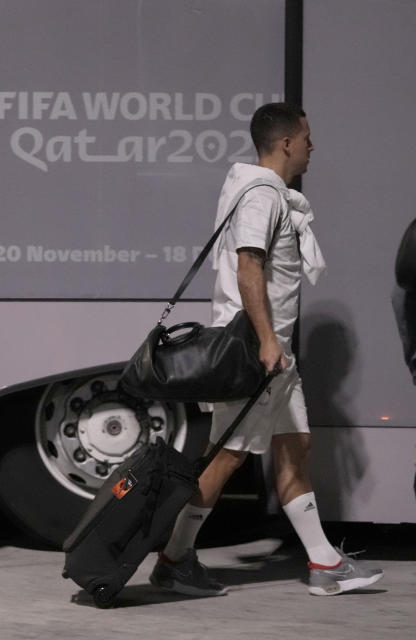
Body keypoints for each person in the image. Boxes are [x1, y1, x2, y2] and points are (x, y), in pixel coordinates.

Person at [149, 103, 383, 597]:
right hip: (254, 352)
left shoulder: (266, 192)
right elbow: (248, 267)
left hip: (273, 356)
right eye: (307, 138)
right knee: (228, 456)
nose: (312, 146)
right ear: (285, 144)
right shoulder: (261, 198)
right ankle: (173, 559)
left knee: (296, 446)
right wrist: (268, 339)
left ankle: (324, 565)